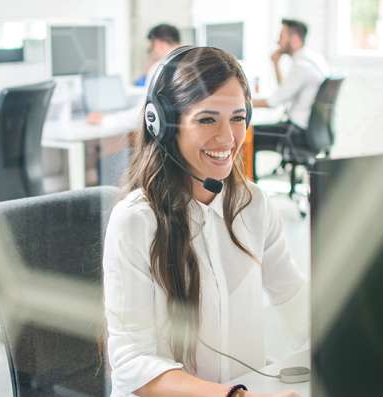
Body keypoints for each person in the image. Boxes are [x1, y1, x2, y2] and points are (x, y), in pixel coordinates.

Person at [103, 46, 308, 397]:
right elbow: (133, 364)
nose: (228, 138)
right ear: (164, 125)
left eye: (238, 117)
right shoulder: (136, 221)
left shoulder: (253, 204)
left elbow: (292, 298)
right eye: (207, 119)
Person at [252, 19, 329, 152]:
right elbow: (285, 92)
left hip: (296, 132)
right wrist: (275, 64)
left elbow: (273, 102)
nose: (277, 41)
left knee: (249, 134)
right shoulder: (314, 59)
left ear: (294, 39)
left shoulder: (301, 67)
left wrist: (241, 102)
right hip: (312, 130)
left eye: (281, 36)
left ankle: (247, 174)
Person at [85, 23, 181, 129]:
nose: (150, 53)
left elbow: (143, 115)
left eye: (150, 48)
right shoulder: (194, 60)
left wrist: (105, 120)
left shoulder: (159, 68)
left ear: (158, 44)